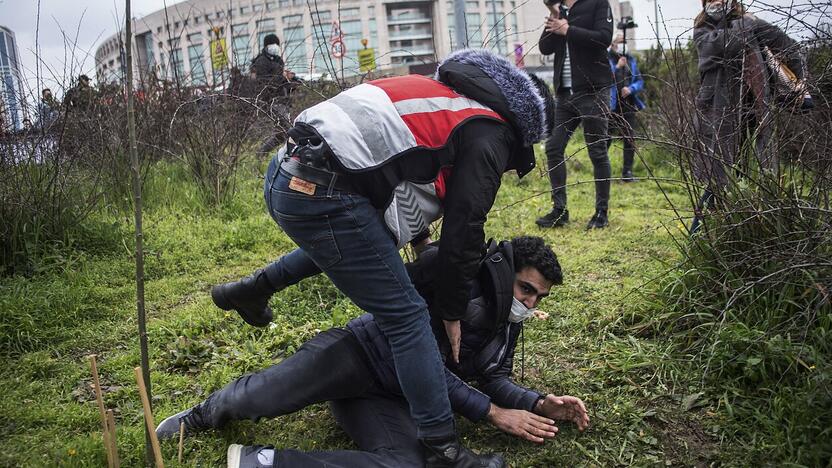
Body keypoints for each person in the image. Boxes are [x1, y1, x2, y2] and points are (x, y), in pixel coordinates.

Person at [208, 48, 552, 467]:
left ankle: (251, 289)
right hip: (326, 189)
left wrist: (424, 246)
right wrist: (450, 308)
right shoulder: (490, 130)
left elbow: (398, 169)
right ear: (524, 128)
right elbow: (466, 225)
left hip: (288, 173)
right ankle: (445, 450)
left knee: (361, 245)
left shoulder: (445, 96)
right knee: (407, 318)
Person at [157, 237, 590, 467]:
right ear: (507, 273)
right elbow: (428, 367)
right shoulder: (455, 284)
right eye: (526, 289)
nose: (530, 303)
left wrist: (537, 402)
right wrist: (492, 412)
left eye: (539, 297)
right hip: (359, 353)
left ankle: (265, 463)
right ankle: (201, 415)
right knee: (258, 398)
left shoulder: (508, 320)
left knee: (405, 464)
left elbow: (493, 375)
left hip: (389, 398)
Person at [690, 0, 805, 233]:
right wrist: (746, 24)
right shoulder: (703, 29)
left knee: (750, 174)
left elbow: (790, 47)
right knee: (718, 176)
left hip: (755, 110)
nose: (718, 2)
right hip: (719, 113)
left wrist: (800, 82)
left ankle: (741, 233)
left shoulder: (751, 22)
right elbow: (722, 46)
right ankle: (697, 235)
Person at [537, 0, 615, 230]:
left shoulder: (597, 3)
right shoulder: (560, 11)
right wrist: (554, 15)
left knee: (597, 151)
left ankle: (601, 213)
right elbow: (545, 47)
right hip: (564, 95)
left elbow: (604, 37)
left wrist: (568, 29)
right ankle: (560, 210)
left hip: (593, 90)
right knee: (553, 147)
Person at [607, 34, 645, 183]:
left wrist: (631, 88)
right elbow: (605, 79)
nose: (622, 44)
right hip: (611, 105)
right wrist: (617, 67)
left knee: (629, 138)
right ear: (613, 44)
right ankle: (603, 170)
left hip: (628, 104)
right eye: (619, 42)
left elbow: (639, 81)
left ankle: (627, 172)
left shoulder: (631, 60)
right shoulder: (608, 59)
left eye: (624, 42)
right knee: (606, 138)